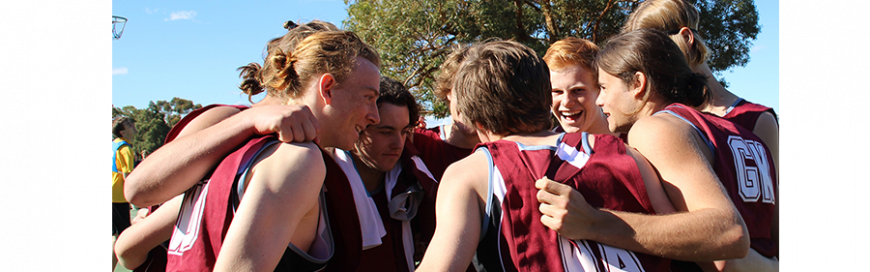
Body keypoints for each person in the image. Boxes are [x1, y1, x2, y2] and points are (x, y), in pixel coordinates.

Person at [125, 22, 384, 271]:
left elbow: (129, 242)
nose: (375, 116)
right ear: (326, 87)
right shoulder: (286, 153)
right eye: (368, 97)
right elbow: (137, 190)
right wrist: (250, 118)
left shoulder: (275, 149)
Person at [416, 40, 678, 272]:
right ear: (546, 96)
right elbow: (681, 239)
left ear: (478, 123)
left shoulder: (468, 174)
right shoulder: (627, 153)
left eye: (577, 90)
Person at [584, 28, 776, 271]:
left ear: (638, 84)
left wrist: (595, 223)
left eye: (604, 87)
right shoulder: (743, 135)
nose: (599, 100)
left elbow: (726, 235)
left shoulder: (654, 129)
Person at [327, 75, 440, 272]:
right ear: (357, 127)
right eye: (385, 132)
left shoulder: (415, 184)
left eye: (404, 132)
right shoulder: (324, 186)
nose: (398, 144)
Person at [411, 44, 480, 182]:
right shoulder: (417, 143)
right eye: (462, 90)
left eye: (479, 92)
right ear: (448, 91)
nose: (470, 102)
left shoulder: (507, 153)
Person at [542, 37, 612, 135]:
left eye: (578, 90)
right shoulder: (551, 142)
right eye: (557, 91)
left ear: (599, 89)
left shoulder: (630, 140)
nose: (566, 102)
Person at [113, 116, 137, 271]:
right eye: (128, 124)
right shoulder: (125, 149)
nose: (133, 125)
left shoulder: (114, 145)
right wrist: (135, 201)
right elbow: (127, 177)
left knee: (117, 237)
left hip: (114, 196)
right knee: (123, 238)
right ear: (122, 132)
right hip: (117, 197)